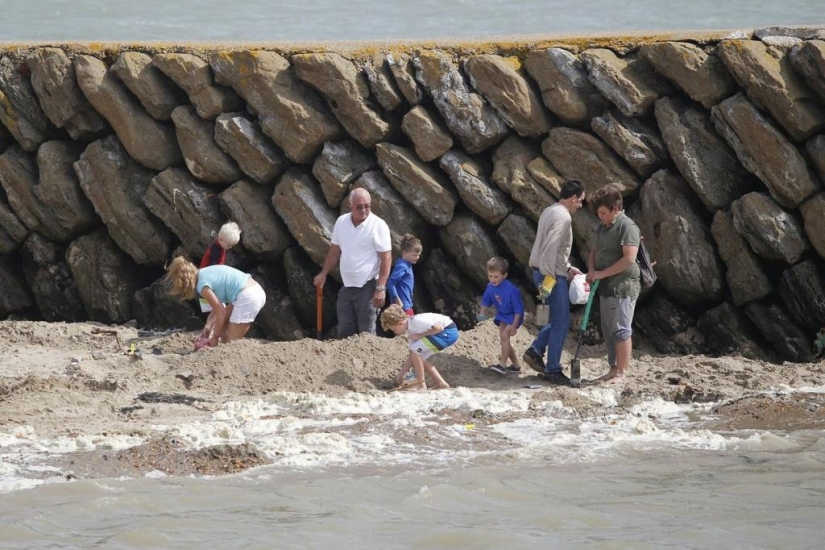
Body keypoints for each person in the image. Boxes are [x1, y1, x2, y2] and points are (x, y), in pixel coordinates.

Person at [522, 180, 586, 385]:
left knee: (556, 318)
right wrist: (551, 277)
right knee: (562, 321)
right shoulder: (564, 216)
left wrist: (567, 269)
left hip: (543, 271)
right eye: (581, 201)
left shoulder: (550, 210)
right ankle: (553, 369)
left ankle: (535, 351)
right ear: (574, 197)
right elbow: (550, 248)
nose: (581, 206)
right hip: (549, 274)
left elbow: (550, 248)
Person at [314, 188, 392, 338]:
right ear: (350, 205)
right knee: (344, 332)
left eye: (367, 206)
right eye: (359, 206)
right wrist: (323, 273)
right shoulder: (341, 222)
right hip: (347, 286)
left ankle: (369, 361)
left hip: (369, 286)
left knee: (367, 333)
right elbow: (335, 251)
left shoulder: (378, 225)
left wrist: (381, 288)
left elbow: (386, 258)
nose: (364, 210)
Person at [585, 184, 641, 384]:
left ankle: (622, 373)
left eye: (603, 212)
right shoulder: (602, 227)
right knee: (608, 330)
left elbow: (629, 259)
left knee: (621, 329)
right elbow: (594, 251)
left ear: (616, 209)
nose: (600, 216)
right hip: (605, 287)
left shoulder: (628, 227)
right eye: (598, 213)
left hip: (623, 285)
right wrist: (592, 272)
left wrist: (602, 273)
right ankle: (613, 368)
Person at [164, 256, 266, 347]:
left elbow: (220, 311)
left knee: (232, 343)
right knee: (224, 328)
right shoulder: (205, 272)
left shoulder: (202, 285)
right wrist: (208, 327)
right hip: (254, 290)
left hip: (247, 296)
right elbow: (217, 308)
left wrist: (215, 336)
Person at [381, 304, 456, 390]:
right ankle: (441, 383)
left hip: (448, 332)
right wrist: (401, 374)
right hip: (442, 334)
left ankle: (421, 384)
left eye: (394, 330)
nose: (395, 333)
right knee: (419, 357)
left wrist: (421, 335)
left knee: (416, 352)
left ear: (400, 323)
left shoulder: (416, 320)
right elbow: (412, 356)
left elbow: (439, 328)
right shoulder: (410, 330)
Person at [478, 257, 525, 374]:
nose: (492, 279)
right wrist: (482, 313)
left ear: (504, 275)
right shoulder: (490, 287)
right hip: (503, 315)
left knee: (505, 337)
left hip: (514, 316)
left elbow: (519, 310)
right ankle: (516, 365)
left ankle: (502, 365)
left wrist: (514, 326)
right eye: (490, 276)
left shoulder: (512, 290)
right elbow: (486, 301)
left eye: (496, 276)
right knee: (504, 340)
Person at [198, 222, 242, 313]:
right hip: (208, 280)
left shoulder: (220, 246)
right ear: (220, 239)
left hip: (210, 278)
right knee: (214, 306)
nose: (230, 248)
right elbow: (213, 267)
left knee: (215, 307)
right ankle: (213, 323)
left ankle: (213, 321)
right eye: (229, 245)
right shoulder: (215, 250)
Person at [387, 233, 422, 316]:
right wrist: (397, 300)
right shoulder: (402, 266)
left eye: (418, 255)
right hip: (402, 306)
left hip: (407, 304)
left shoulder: (407, 264)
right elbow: (390, 283)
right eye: (414, 255)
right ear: (404, 252)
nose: (417, 257)